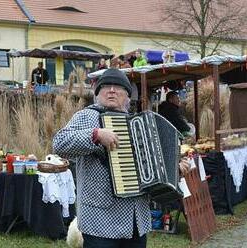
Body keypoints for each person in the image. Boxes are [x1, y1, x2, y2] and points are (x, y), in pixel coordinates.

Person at [53, 68, 189, 248]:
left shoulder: (138, 123)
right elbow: (60, 143)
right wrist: (95, 135)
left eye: (118, 87)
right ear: (98, 93)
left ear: (127, 96)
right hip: (100, 219)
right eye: (106, 87)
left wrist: (174, 170)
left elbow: (151, 167)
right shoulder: (88, 116)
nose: (111, 90)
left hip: (136, 219)